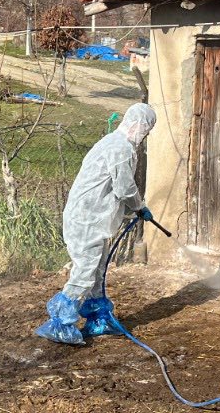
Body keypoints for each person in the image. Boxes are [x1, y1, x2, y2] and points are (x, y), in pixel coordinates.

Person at [37, 102, 157, 345]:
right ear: (137, 125)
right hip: (86, 220)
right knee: (85, 271)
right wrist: (140, 207)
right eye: (146, 130)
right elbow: (124, 188)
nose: (145, 135)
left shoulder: (113, 143)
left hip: (93, 218)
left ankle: (98, 319)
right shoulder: (120, 148)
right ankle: (59, 324)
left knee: (97, 270)